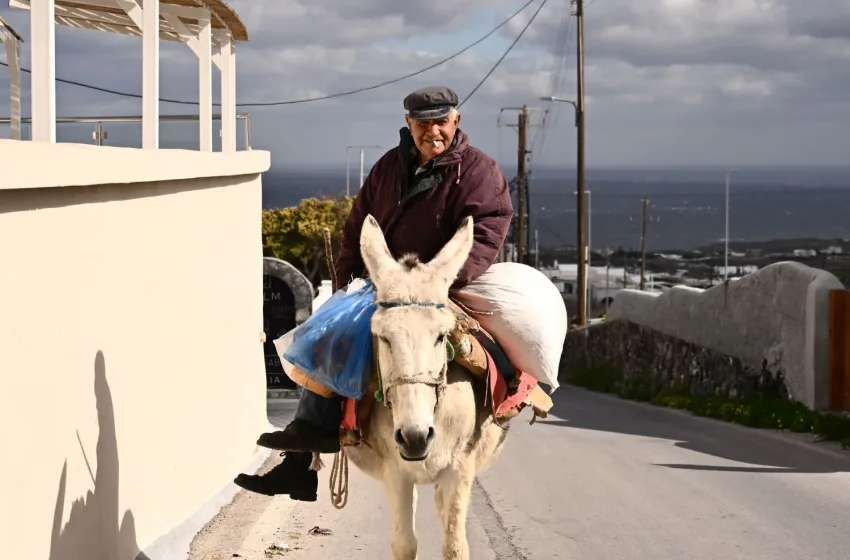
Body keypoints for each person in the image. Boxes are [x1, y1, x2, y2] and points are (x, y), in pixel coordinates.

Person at [235, 85, 514, 499]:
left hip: (442, 283)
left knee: (479, 352)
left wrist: (442, 281)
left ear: (456, 121)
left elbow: (487, 232)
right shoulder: (387, 167)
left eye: (441, 122)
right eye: (423, 124)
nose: (432, 132)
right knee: (329, 338)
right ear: (408, 124)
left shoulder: (477, 172)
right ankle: (300, 460)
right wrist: (349, 281)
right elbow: (357, 227)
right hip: (383, 285)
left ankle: (494, 413)